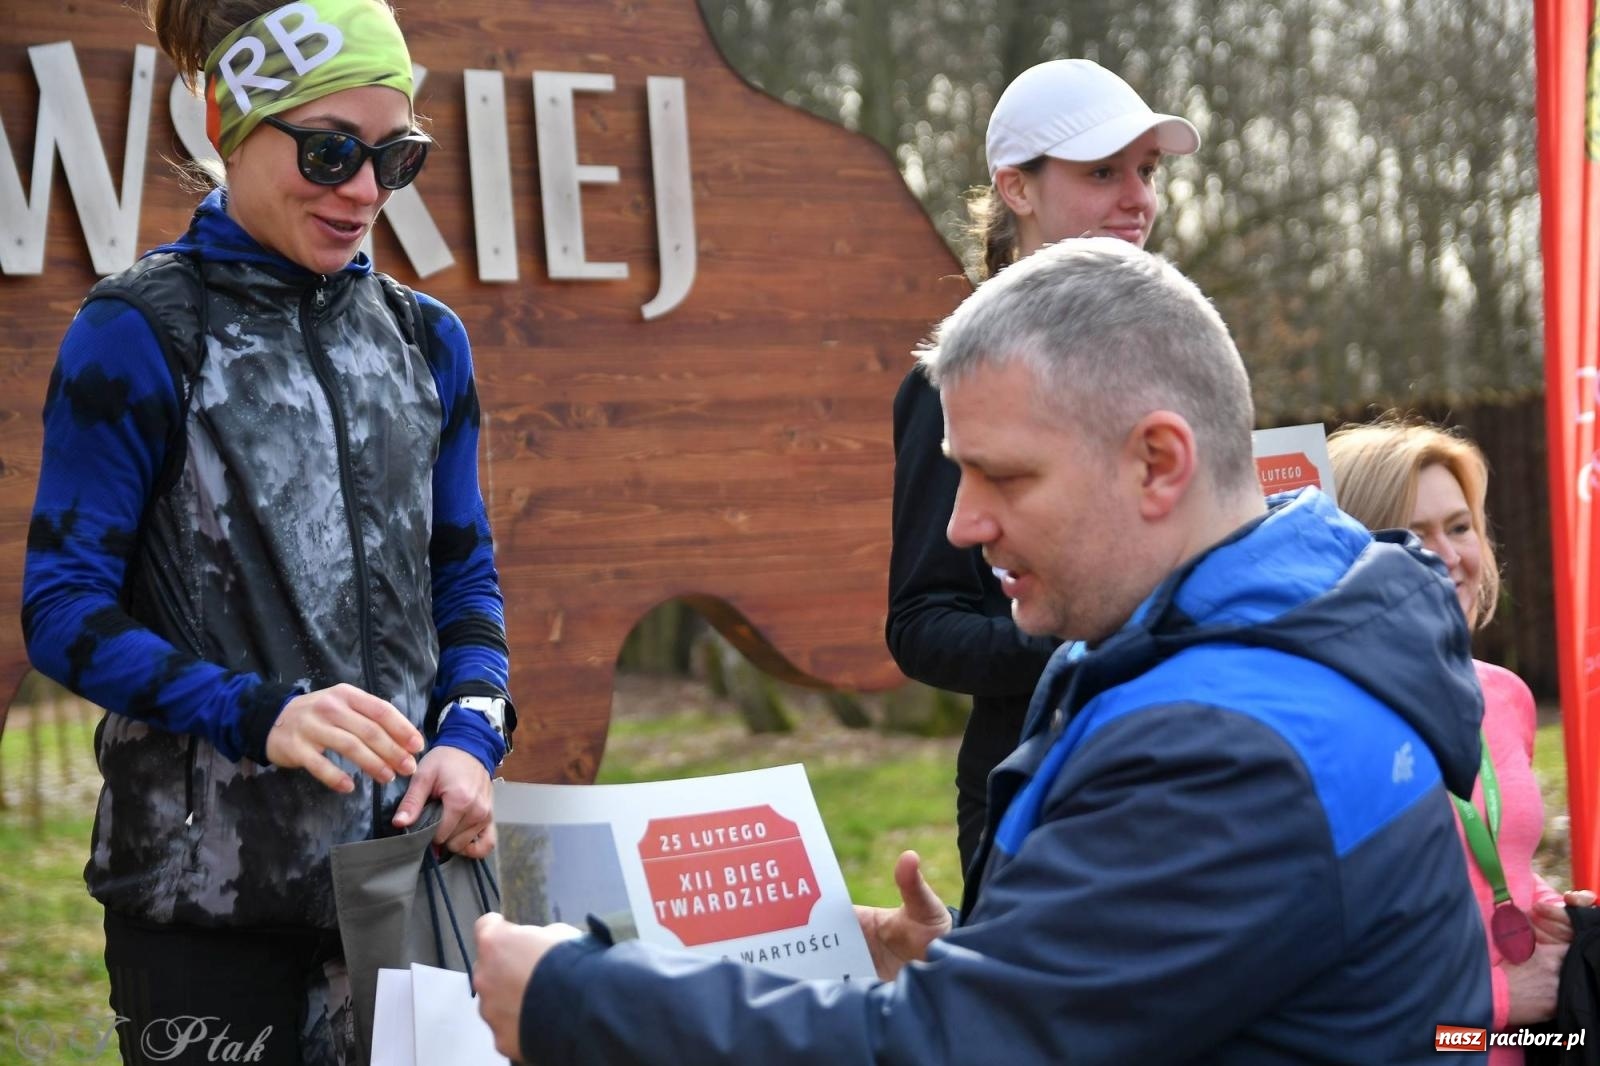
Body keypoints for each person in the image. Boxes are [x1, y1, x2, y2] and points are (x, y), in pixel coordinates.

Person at [475, 239, 1490, 1065]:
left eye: (1001, 476)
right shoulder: (1272, 634)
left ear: (1156, 461)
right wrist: (995, 959)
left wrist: (577, 1004)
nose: (961, 524)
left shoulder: (1228, 746)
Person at [20, 0, 514, 1062]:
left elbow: (464, 581)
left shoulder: (430, 343)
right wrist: (255, 713)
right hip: (202, 906)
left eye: (397, 157)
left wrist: (472, 737)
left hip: (405, 888)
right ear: (227, 123)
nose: (364, 192)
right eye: (331, 150)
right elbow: (62, 612)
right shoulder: (141, 330)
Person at [887, 58, 1200, 873]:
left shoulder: (1183, 362)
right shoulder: (953, 380)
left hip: (1195, 776)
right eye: (1102, 172)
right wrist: (1086, 645)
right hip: (1037, 793)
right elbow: (921, 626)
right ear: (1017, 190)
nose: (1138, 198)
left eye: (1147, 170)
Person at [1328, 421, 1595, 1062]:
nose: (1449, 556)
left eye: (1458, 526)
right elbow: (1317, 978)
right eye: (1413, 535)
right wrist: (1497, 1003)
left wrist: (1561, 914)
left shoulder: (1505, 697)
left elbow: (1498, 867)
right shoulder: (1326, 723)